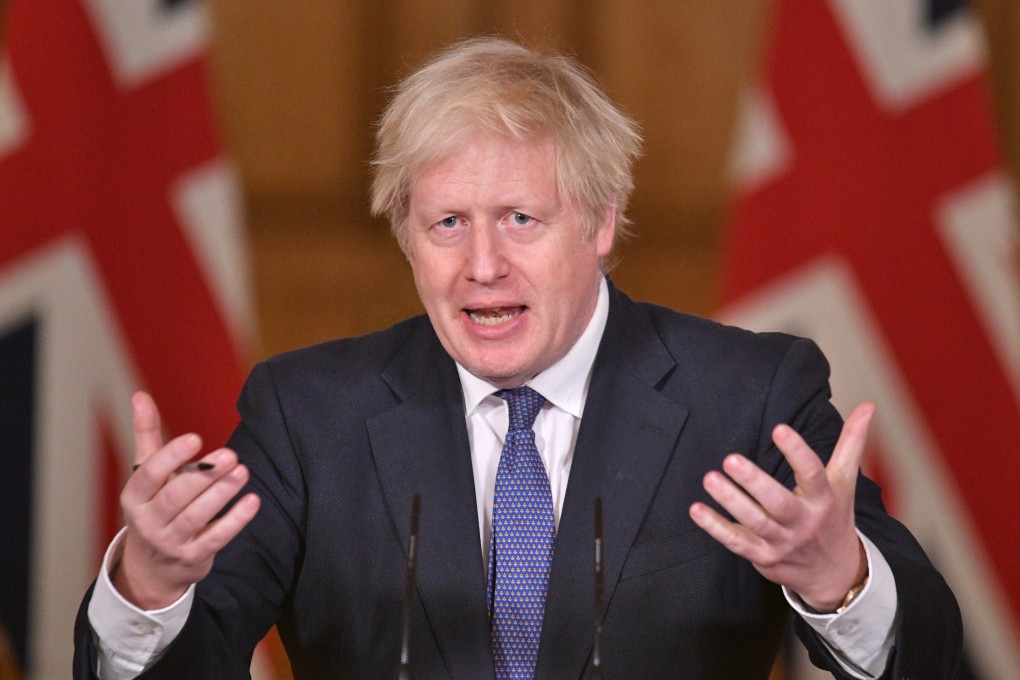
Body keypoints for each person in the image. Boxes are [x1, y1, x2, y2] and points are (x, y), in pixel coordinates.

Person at [74, 37, 962, 679]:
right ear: (407, 237)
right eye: (447, 223)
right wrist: (146, 589)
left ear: (602, 222)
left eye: (521, 220)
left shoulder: (749, 395)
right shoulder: (308, 414)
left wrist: (838, 581)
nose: (483, 265)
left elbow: (930, 657)